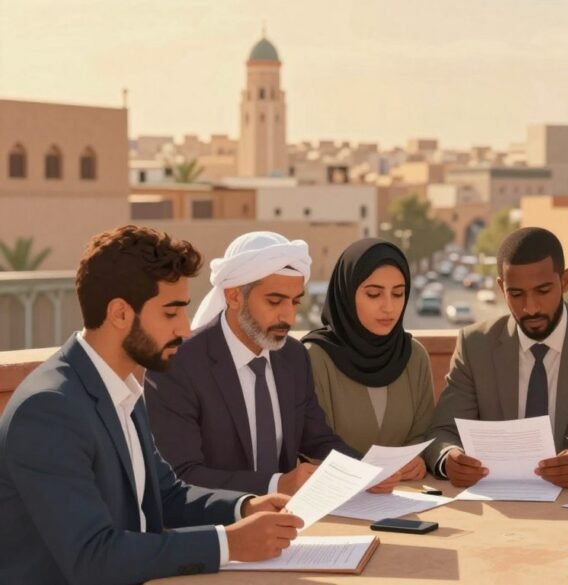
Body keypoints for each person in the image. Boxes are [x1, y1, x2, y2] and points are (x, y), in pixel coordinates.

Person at [0, 225, 304, 584]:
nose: (185, 330)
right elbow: (93, 557)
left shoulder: (122, 389)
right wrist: (228, 544)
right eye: (171, 313)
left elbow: (166, 495)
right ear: (120, 313)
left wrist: (244, 507)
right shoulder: (49, 410)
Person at [145, 232, 398, 495]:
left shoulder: (294, 356)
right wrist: (276, 485)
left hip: (290, 515)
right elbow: (181, 475)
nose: (289, 317)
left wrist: (364, 471)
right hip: (219, 519)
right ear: (233, 296)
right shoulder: (177, 364)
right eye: (275, 301)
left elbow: (317, 439)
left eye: (295, 302)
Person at [424, 227, 568, 489]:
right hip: (498, 501)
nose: (530, 308)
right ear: (501, 287)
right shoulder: (475, 345)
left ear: (565, 281)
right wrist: (449, 458)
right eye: (516, 294)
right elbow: (443, 431)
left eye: (543, 291)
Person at [303, 238, 435, 481]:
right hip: (340, 496)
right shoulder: (315, 357)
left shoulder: (414, 356)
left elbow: (423, 434)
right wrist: (367, 475)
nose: (389, 307)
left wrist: (418, 459)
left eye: (398, 293)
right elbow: (315, 446)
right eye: (374, 294)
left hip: (408, 494)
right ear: (346, 293)